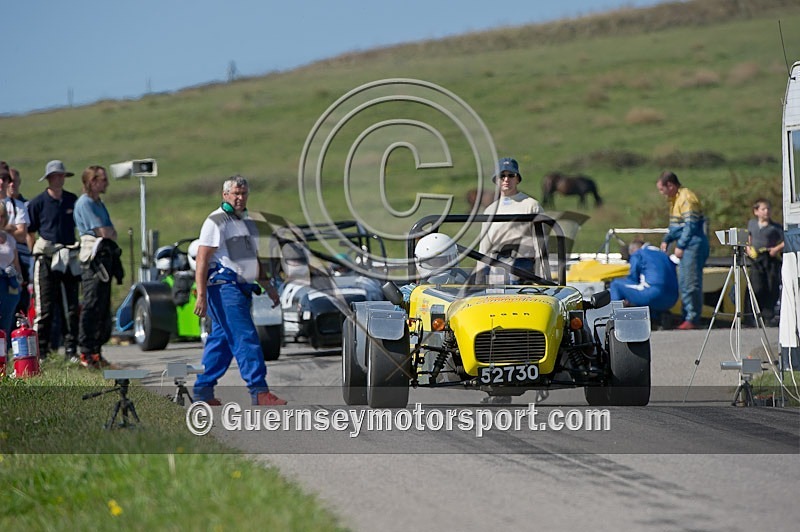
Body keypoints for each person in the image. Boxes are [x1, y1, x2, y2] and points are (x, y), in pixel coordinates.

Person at [193, 175, 285, 406]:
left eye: (243, 193)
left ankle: (203, 391)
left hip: (240, 288)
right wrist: (201, 294)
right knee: (245, 337)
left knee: (221, 342)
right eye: (235, 193)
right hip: (224, 288)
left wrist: (268, 286)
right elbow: (202, 258)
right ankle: (259, 390)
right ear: (225, 195)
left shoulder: (246, 222)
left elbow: (253, 258)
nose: (240, 198)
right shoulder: (216, 221)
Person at [26, 160, 81, 360]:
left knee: (70, 306)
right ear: (48, 178)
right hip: (46, 258)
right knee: (45, 307)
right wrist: (35, 253)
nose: (59, 179)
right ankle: (42, 351)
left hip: (68, 256)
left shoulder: (72, 200)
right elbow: (30, 231)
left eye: (61, 175)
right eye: (55, 175)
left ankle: (70, 350)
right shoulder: (38, 202)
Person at [74, 165, 124, 369]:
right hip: (93, 259)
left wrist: (108, 232)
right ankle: (86, 351)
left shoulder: (98, 203)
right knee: (92, 304)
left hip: (105, 257)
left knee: (103, 307)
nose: (106, 183)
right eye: (103, 180)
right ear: (92, 182)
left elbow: (112, 232)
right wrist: (108, 232)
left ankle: (96, 351)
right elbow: (104, 231)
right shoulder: (85, 203)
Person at [478, 157, 547, 281]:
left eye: (511, 175)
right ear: (496, 180)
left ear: (517, 179)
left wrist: (542, 276)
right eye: (502, 176)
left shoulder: (531, 205)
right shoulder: (490, 210)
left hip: (523, 266)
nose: (506, 179)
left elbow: (541, 244)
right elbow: (484, 248)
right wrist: (480, 275)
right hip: (496, 266)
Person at [656, 171, 709, 330]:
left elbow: (690, 226)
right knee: (684, 281)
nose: (661, 193)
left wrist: (681, 245)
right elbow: (675, 226)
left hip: (693, 244)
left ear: (670, 185)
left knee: (690, 282)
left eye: (661, 189)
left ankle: (692, 318)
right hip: (686, 243)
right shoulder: (674, 200)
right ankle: (687, 316)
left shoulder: (686, 198)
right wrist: (667, 239)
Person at [609, 238, 678, 326]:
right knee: (647, 286)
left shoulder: (639, 254)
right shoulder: (662, 254)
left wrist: (627, 297)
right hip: (672, 298)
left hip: (653, 294)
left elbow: (633, 279)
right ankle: (656, 317)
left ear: (633, 250)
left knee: (616, 284)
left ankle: (615, 321)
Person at [746, 198, 784, 324]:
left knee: (771, 285)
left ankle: (768, 315)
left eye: (768, 209)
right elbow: (748, 238)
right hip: (756, 259)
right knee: (757, 286)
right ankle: (754, 314)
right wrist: (748, 248)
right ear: (756, 211)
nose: (766, 211)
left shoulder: (775, 227)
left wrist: (776, 249)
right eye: (763, 209)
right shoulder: (752, 224)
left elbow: (785, 240)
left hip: (769, 257)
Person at [400, 232, 467, 302]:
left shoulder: (466, 288)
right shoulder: (410, 293)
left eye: (444, 261)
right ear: (419, 262)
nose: (439, 267)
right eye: (434, 262)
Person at [7, 168, 33, 315]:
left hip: (22, 254)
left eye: (14, 181)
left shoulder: (25, 205)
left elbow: (25, 235)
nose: (12, 185)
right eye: (9, 181)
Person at [0, 203, 23, 340]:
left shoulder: (10, 238)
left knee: (6, 323)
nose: (0, 219)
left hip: (9, 284)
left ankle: (4, 358)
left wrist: (19, 281)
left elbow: (16, 262)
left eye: (2, 216)